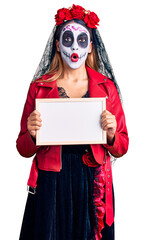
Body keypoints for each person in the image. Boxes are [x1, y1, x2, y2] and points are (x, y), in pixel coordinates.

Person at [16, 4, 129, 240]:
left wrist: (111, 134)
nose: (74, 46)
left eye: (81, 39)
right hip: (51, 181)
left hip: (93, 181)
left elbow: (122, 147)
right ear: (58, 45)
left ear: (90, 46)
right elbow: (23, 148)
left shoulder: (106, 88)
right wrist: (33, 133)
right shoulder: (39, 88)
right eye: (67, 39)